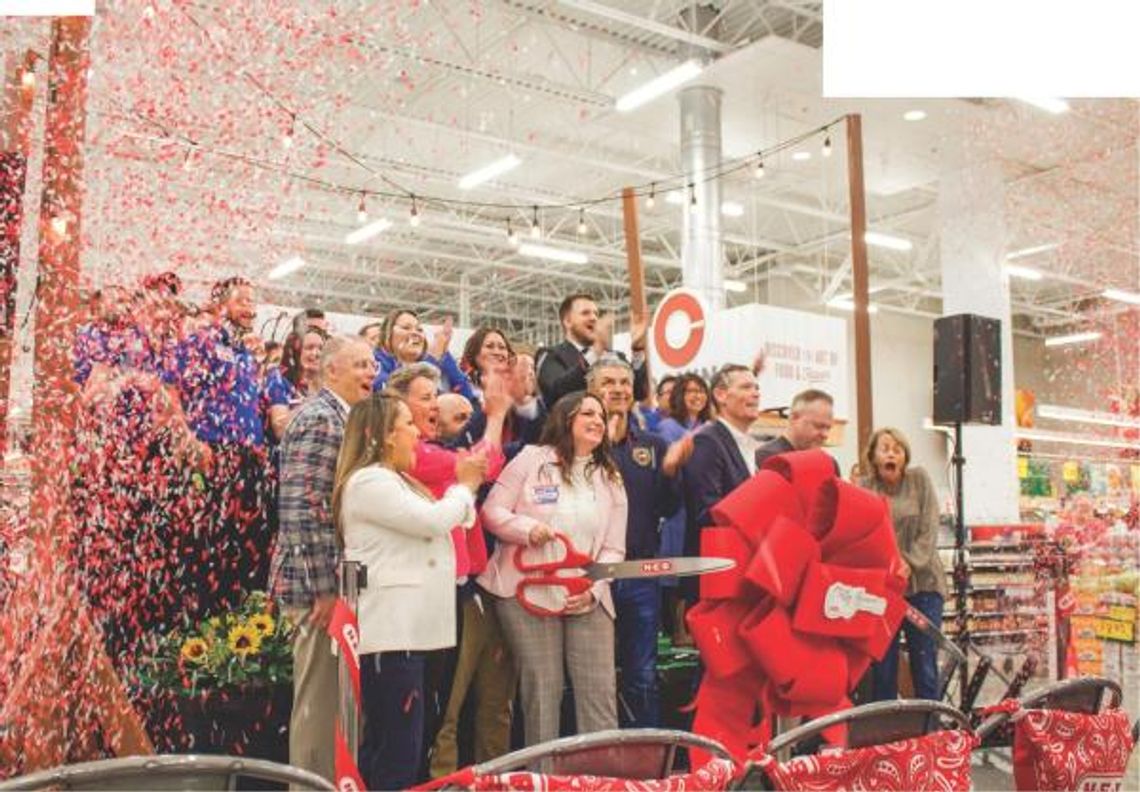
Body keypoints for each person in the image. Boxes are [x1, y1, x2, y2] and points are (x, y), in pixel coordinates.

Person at [335, 392, 488, 790]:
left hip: (412, 633)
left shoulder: (396, 479)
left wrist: (459, 497)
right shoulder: (368, 481)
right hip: (392, 635)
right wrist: (465, 486)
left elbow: (452, 518)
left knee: (404, 746)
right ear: (382, 434)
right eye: (407, 424)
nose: (416, 432)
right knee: (397, 751)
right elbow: (434, 521)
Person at [478, 391, 627, 751]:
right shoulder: (531, 459)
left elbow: (614, 548)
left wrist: (594, 589)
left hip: (585, 596)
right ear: (565, 418)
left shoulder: (610, 476)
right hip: (525, 592)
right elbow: (492, 512)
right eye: (587, 413)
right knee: (542, 693)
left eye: (601, 416)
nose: (597, 421)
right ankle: (543, 780)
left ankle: (603, 783)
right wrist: (526, 530)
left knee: (599, 693)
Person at [268, 336, 377, 782]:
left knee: (339, 706)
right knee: (319, 706)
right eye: (360, 365)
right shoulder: (319, 419)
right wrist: (325, 590)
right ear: (331, 371)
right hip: (318, 591)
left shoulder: (343, 419)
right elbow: (300, 508)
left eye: (372, 364)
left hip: (338, 586)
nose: (371, 372)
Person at [161, 276, 271, 616]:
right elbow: (171, 387)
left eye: (252, 303)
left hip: (247, 457)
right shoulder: (201, 338)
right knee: (209, 544)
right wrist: (188, 440)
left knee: (246, 544)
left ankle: (239, 621)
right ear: (219, 304)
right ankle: (203, 620)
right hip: (212, 453)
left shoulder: (244, 350)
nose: (249, 310)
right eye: (242, 301)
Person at [588, 357, 680, 727]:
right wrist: (600, 447)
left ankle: (646, 755)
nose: (619, 389)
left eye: (625, 382)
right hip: (593, 576)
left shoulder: (653, 444)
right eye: (608, 381)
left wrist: (672, 474)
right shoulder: (577, 441)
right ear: (592, 388)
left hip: (641, 575)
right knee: (595, 675)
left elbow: (667, 507)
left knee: (642, 674)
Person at [862, 427, 948, 702]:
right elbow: (860, 534)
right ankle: (886, 732)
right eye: (885, 448)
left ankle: (931, 730)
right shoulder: (864, 488)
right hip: (883, 589)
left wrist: (910, 561)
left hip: (923, 585)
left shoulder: (919, 479)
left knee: (924, 662)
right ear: (873, 456)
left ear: (905, 455)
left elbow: (929, 526)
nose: (891, 453)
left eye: (897, 449)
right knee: (882, 665)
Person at [680, 364, 760, 602]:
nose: (756, 393)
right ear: (721, 395)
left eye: (757, 388)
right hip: (716, 574)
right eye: (746, 387)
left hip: (745, 570)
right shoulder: (707, 441)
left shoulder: (753, 446)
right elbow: (706, 511)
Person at [536, 294, 648, 409]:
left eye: (596, 314)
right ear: (567, 322)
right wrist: (596, 351)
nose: (593, 318)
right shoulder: (551, 355)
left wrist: (637, 351)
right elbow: (556, 392)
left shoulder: (615, 357)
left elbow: (639, 392)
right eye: (585, 313)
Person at [453, 327, 545, 454]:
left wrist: (524, 402)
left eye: (502, 347)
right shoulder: (460, 389)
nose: (497, 352)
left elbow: (535, 437)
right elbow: (458, 442)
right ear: (475, 354)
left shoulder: (516, 393)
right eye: (489, 346)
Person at [371, 309, 475, 399]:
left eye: (419, 329)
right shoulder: (373, 362)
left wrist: (444, 356)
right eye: (406, 328)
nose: (415, 333)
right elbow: (389, 392)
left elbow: (467, 398)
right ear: (387, 333)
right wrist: (431, 360)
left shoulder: (432, 365)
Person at [754, 389, 839, 473]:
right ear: (794, 418)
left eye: (828, 428)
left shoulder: (829, 464)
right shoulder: (768, 458)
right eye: (818, 426)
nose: (825, 434)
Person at [265, 327, 326, 442]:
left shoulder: (324, 383)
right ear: (293, 351)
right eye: (309, 348)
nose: (316, 353)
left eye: (321, 348)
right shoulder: (278, 378)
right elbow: (280, 430)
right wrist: (313, 400)